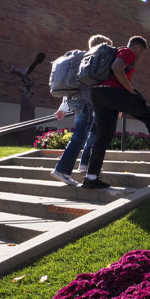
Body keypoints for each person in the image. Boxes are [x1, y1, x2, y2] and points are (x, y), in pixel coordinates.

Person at [83, 36, 150, 189]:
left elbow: (113, 74)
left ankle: (91, 177)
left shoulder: (113, 53)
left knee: (103, 136)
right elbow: (117, 68)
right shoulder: (128, 52)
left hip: (97, 94)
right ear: (139, 47)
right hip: (114, 94)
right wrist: (132, 92)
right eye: (143, 53)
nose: (142, 57)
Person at [50, 34, 112, 186]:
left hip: (76, 100)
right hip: (86, 102)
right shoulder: (93, 60)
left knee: (93, 133)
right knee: (80, 135)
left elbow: (71, 84)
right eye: (108, 47)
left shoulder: (81, 58)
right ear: (103, 46)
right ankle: (62, 169)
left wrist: (63, 107)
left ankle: (84, 164)